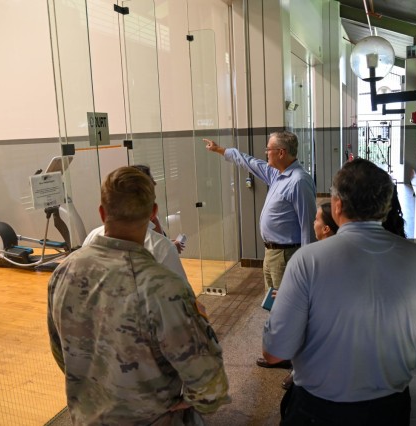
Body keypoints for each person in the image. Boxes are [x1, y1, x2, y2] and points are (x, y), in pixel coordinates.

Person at [262, 158, 416, 425]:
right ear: (385, 206)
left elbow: (274, 352)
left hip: (318, 409)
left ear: (337, 205)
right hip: (390, 409)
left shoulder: (307, 261)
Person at [48, 166, 230, 425]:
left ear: (102, 212)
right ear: (153, 212)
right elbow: (211, 388)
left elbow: (61, 353)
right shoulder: (164, 288)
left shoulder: (63, 272)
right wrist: (189, 401)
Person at [203, 131, 317, 369]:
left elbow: (308, 225)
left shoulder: (298, 181)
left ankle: (294, 360)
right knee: (274, 304)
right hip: (273, 254)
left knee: (288, 307)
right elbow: (250, 162)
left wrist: (306, 265)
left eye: (269, 149)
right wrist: (221, 150)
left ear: (282, 153)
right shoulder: (278, 174)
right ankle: (281, 351)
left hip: (287, 255)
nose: (265, 153)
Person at [82, 165, 187, 280]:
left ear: (102, 213)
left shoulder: (87, 243)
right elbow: (184, 296)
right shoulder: (163, 249)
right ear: (153, 211)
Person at [280, 201, 340, 390]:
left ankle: (299, 370)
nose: (312, 223)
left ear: (326, 228)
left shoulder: (319, 259)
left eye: (316, 220)